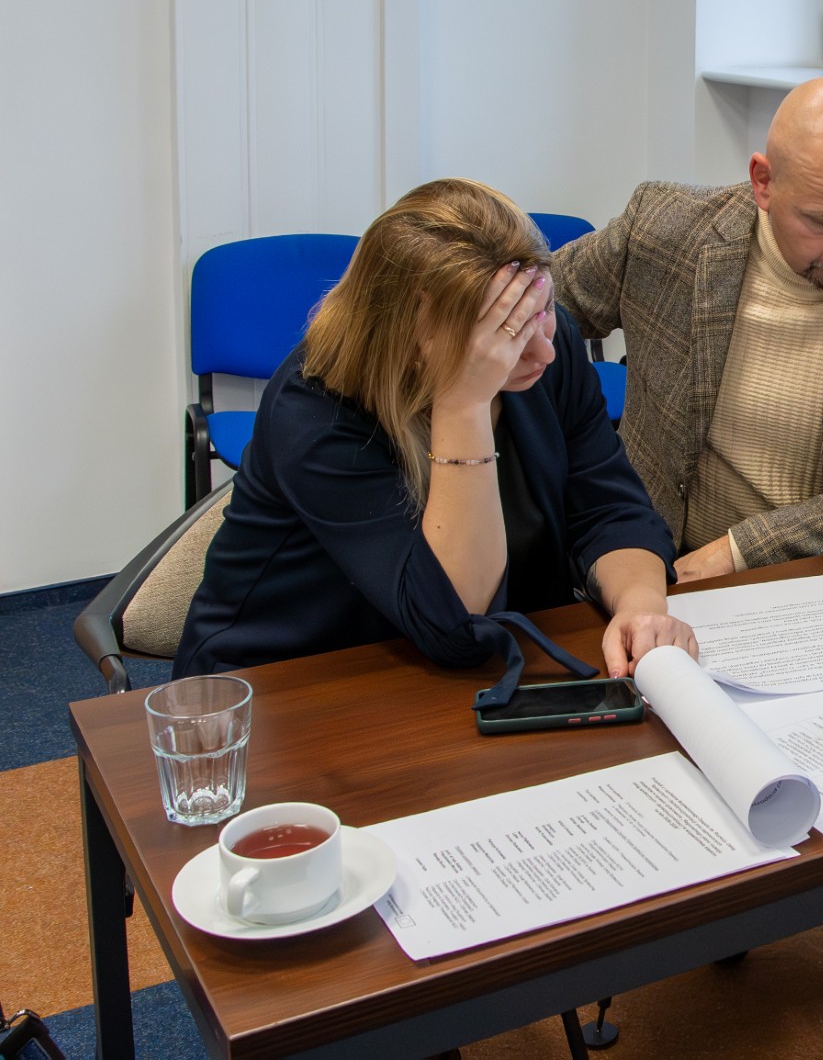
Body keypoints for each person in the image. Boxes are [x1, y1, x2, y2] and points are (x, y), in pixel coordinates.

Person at [176, 178, 695, 687]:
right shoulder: (314, 407)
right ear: (418, 331)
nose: (545, 350)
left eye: (541, 311)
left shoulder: (545, 348)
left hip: (462, 673)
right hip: (288, 682)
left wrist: (641, 607)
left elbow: (611, 510)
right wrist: (464, 401)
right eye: (506, 331)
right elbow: (455, 623)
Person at [552, 75, 823, 582]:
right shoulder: (666, 229)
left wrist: (742, 550)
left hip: (819, 580)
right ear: (763, 182)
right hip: (647, 563)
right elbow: (526, 314)